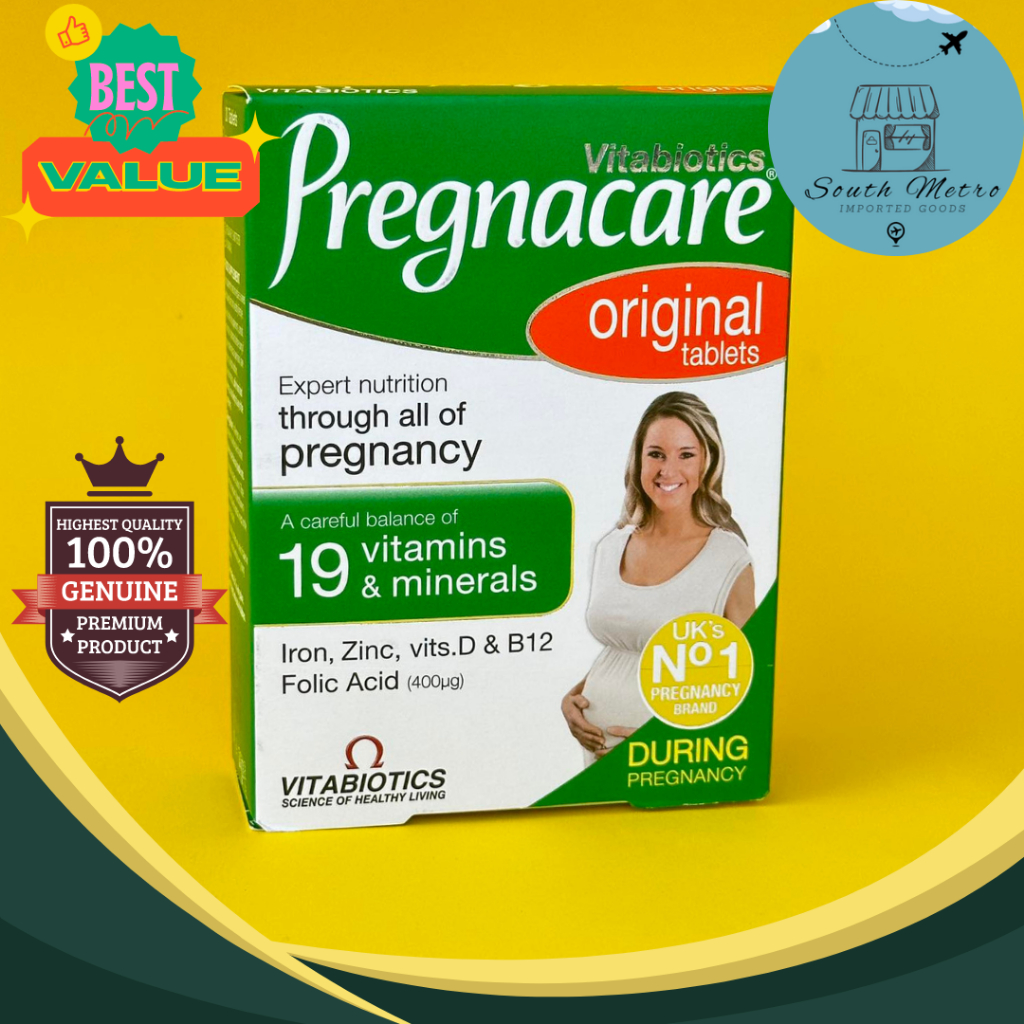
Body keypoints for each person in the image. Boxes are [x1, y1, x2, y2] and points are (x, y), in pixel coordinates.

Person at [561, 392, 755, 760]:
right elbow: (627, 652)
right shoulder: (609, 547)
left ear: (707, 462)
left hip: (673, 761)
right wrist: (572, 699)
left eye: (686, 455)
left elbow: (748, 684)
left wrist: (672, 741)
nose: (668, 470)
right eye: (656, 454)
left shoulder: (728, 557)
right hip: (595, 759)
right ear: (638, 460)